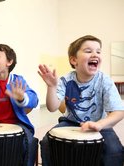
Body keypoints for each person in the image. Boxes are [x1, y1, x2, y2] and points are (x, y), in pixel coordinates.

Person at [38, 35, 124, 166]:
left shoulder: (104, 80)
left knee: (115, 151)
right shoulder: (66, 80)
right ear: (74, 60)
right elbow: (52, 107)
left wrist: (100, 124)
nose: (95, 54)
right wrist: (51, 87)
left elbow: (118, 112)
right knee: (46, 142)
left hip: (99, 124)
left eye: (98, 51)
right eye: (88, 51)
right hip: (70, 122)